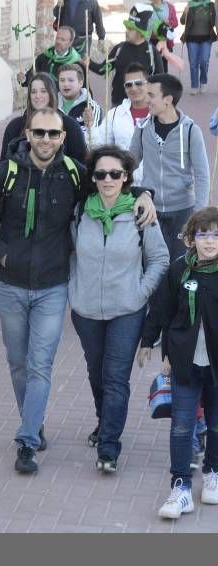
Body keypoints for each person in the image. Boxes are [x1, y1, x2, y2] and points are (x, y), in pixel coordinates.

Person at [0, 107, 156, 474]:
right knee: (18, 364)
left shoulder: (73, 174)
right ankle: (34, 422)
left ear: (63, 137)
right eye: (39, 133)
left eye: (53, 134)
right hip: (9, 286)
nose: (46, 140)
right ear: (27, 133)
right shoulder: (5, 173)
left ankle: (27, 441)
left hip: (53, 286)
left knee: (40, 365)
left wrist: (145, 194)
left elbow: (111, 181)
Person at [69, 145, 169, 473]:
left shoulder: (141, 214)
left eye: (115, 173)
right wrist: (74, 286)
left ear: (126, 177)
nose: (108, 179)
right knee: (96, 374)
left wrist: (139, 292)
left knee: (115, 378)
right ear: (93, 178)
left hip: (127, 310)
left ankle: (109, 447)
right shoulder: (80, 210)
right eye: (101, 174)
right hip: (85, 310)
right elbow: (69, 253)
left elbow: (160, 259)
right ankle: (104, 421)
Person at [138, 207, 218, 519]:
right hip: (185, 363)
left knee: (215, 423)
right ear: (191, 239)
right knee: (182, 426)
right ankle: (181, 488)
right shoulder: (179, 270)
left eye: (215, 234)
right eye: (203, 234)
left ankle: (212, 473)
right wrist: (150, 343)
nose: (210, 241)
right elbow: (161, 309)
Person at [130, 73, 210, 260]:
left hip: (183, 212)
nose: (145, 99)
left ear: (168, 100)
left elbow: (202, 176)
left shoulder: (191, 131)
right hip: (150, 211)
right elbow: (129, 165)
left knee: (179, 265)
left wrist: (197, 216)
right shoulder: (142, 128)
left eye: (151, 95)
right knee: (151, 263)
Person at [0, 72, 87, 163]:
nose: (38, 96)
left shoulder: (70, 125)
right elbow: (4, 164)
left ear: (51, 93)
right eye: (33, 92)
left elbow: (81, 164)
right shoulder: (15, 126)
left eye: (43, 91)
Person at [89, 4, 164, 108]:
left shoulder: (152, 52)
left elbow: (160, 80)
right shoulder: (119, 49)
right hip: (119, 103)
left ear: (140, 32)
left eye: (130, 29)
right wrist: (88, 62)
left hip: (143, 105)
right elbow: (103, 69)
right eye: (127, 28)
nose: (126, 31)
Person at [92, 63, 151, 182]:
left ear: (149, 84)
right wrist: (90, 127)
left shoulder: (160, 113)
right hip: (123, 185)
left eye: (138, 83)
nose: (133, 88)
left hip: (155, 186)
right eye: (129, 85)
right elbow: (99, 146)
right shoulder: (114, 114)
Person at [17, 26, 85, 87]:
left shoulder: (76, 63)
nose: (58, 41)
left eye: (63, 40)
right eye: (57, 38)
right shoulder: (43, 58)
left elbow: (84, 89)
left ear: (70, 42)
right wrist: (24, 79)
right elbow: (31, 77)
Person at [179, 0, 218, 95]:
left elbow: (215, 22)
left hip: (206, 38)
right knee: (193, 63)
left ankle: (203, 82)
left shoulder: (210, 5)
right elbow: (182, 22)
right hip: (192, 39)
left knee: (204, 61)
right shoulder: (190, 5)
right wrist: (185, 12)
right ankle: (194, 85)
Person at [57, 64, 102, 136]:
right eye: (62, 80)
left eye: (70, 80)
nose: (65, 84)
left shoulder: (91, 107)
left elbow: (93, 139)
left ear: (80, 83)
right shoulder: (52, 105)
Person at [149, 0, 179, 73]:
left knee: (163, 66)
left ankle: (163, 83)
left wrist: (168, 22)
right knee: (151, 65)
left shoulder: (170, 7)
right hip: (150, 40)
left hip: (164, 40)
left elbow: (175, 23)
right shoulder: (147, 7)